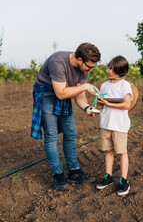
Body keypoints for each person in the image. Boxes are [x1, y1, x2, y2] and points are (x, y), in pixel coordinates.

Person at [31, 42, 101, 190]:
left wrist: (87, 108)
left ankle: (74, 172)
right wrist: (85, 86)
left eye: (93, 67)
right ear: (80, 59)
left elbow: (78, 93)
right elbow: (61, 93)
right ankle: (58, 176)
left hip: (63, 92)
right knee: (51, 136)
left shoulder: (84, 69)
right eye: (89, 67)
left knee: (71, 132)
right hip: (47, 94)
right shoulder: (58, 62)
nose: (90, 70)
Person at [96, 55, 133, 196]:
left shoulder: (125, 85)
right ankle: (108, 176)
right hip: (106, 124)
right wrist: (98, 104)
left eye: (112, 69)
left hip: (119, 125)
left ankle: (124, 180)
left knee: (122, 152)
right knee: (108, 151)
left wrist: (108, 103)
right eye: (109, 67)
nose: (109, 70)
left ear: (120, 71)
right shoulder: (104, 85)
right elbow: (100, 105)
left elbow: (126, 105)